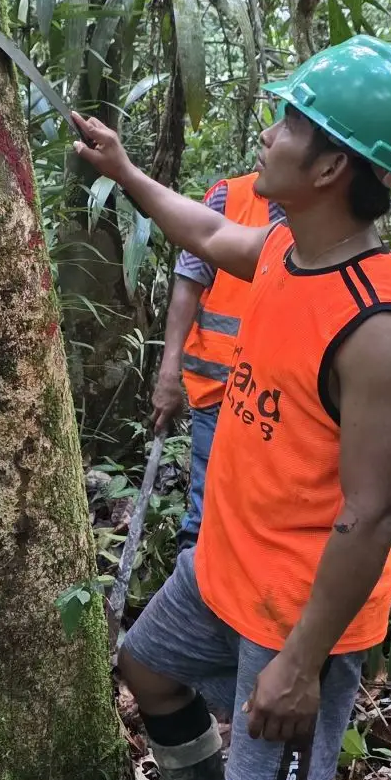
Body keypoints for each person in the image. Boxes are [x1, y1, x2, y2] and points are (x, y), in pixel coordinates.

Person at [74, 35, 391, 780]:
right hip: (223, 569)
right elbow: (202, 229)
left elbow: (374, 512)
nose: (268, 136)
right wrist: (126, 171)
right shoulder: (285, 250)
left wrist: (303, 661)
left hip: (298, 606)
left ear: (330, 168)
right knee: (148, 668)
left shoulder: (381, 326)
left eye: (289, 123)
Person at [151, 173, 285, 549]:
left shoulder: (323, 217)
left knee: (262, 515)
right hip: (218, 390)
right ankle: (191, 593)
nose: (268, 137)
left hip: (281, 403)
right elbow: (188, 285)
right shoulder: (231, 197)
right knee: (205, 511)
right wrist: (168, 373)